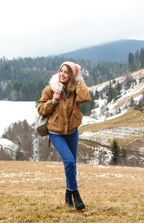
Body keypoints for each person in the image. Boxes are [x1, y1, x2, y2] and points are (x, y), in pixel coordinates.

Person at [38, 61, 91, 210]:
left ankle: (68, 194)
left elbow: (86, 97)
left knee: (72, 166)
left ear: (72, 75)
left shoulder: (75, 90)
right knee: (69, 162)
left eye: (67, 72)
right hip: (56, 133)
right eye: (61, 71)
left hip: (72, 132)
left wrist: (80, 80)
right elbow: (41, 109)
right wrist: (53, 101)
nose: (62, 74)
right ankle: (75, 194)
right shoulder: (50, 88)